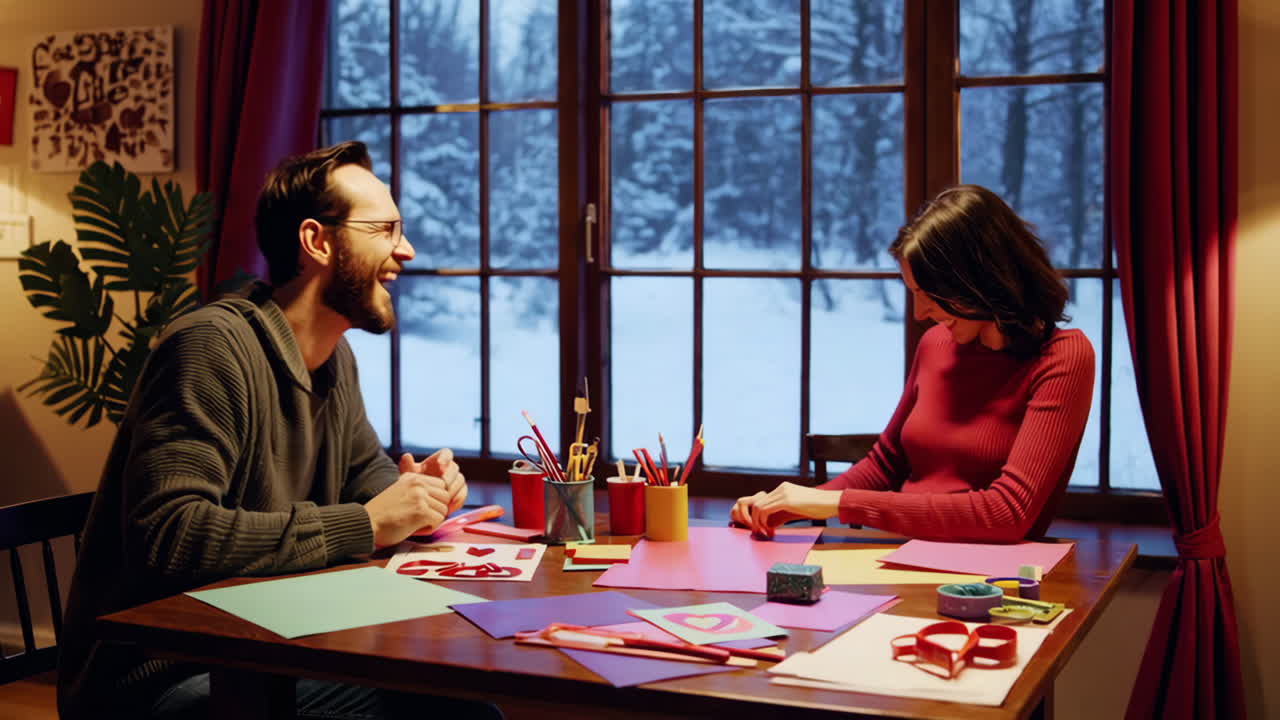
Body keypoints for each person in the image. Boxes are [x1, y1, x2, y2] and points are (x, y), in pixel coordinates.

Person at [57, 141, 499, 719]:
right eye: (385, 229)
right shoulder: (212, 348)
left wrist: (418, 494)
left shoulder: (333, 359)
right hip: (161, 673)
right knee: (449, 712)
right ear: (317, 241)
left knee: (457, 702)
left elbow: (368, 479)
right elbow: (169, 535)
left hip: (268, 646)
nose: (406, 251)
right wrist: (368, 522)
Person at [731, 184, 1095, 544]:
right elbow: (885, 465)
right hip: (901, 557)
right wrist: (789, 506)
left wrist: (835, 501)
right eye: (914, 294)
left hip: (992, 583)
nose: (921, 313)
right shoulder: (936, 343)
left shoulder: (1062, 358)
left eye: (931, 296)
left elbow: (1008, 513)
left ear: (985, 282)